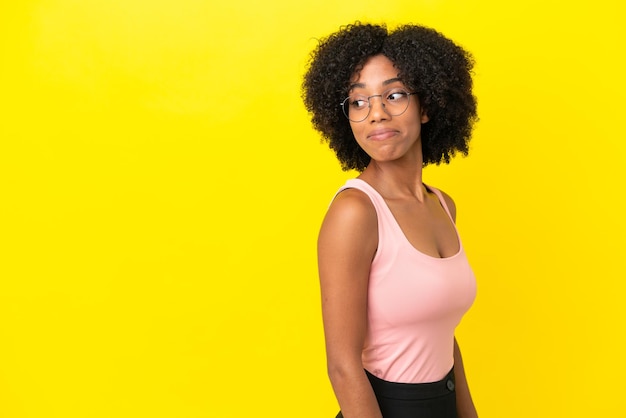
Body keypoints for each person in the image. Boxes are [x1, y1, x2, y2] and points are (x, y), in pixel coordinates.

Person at [302, 22, 479, 418]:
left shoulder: (443, 206)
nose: (376, 115)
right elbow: (343, 367)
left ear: (428, 104)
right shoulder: (356, 212)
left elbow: (441, 337)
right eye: (359, 102)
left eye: (394, 95)